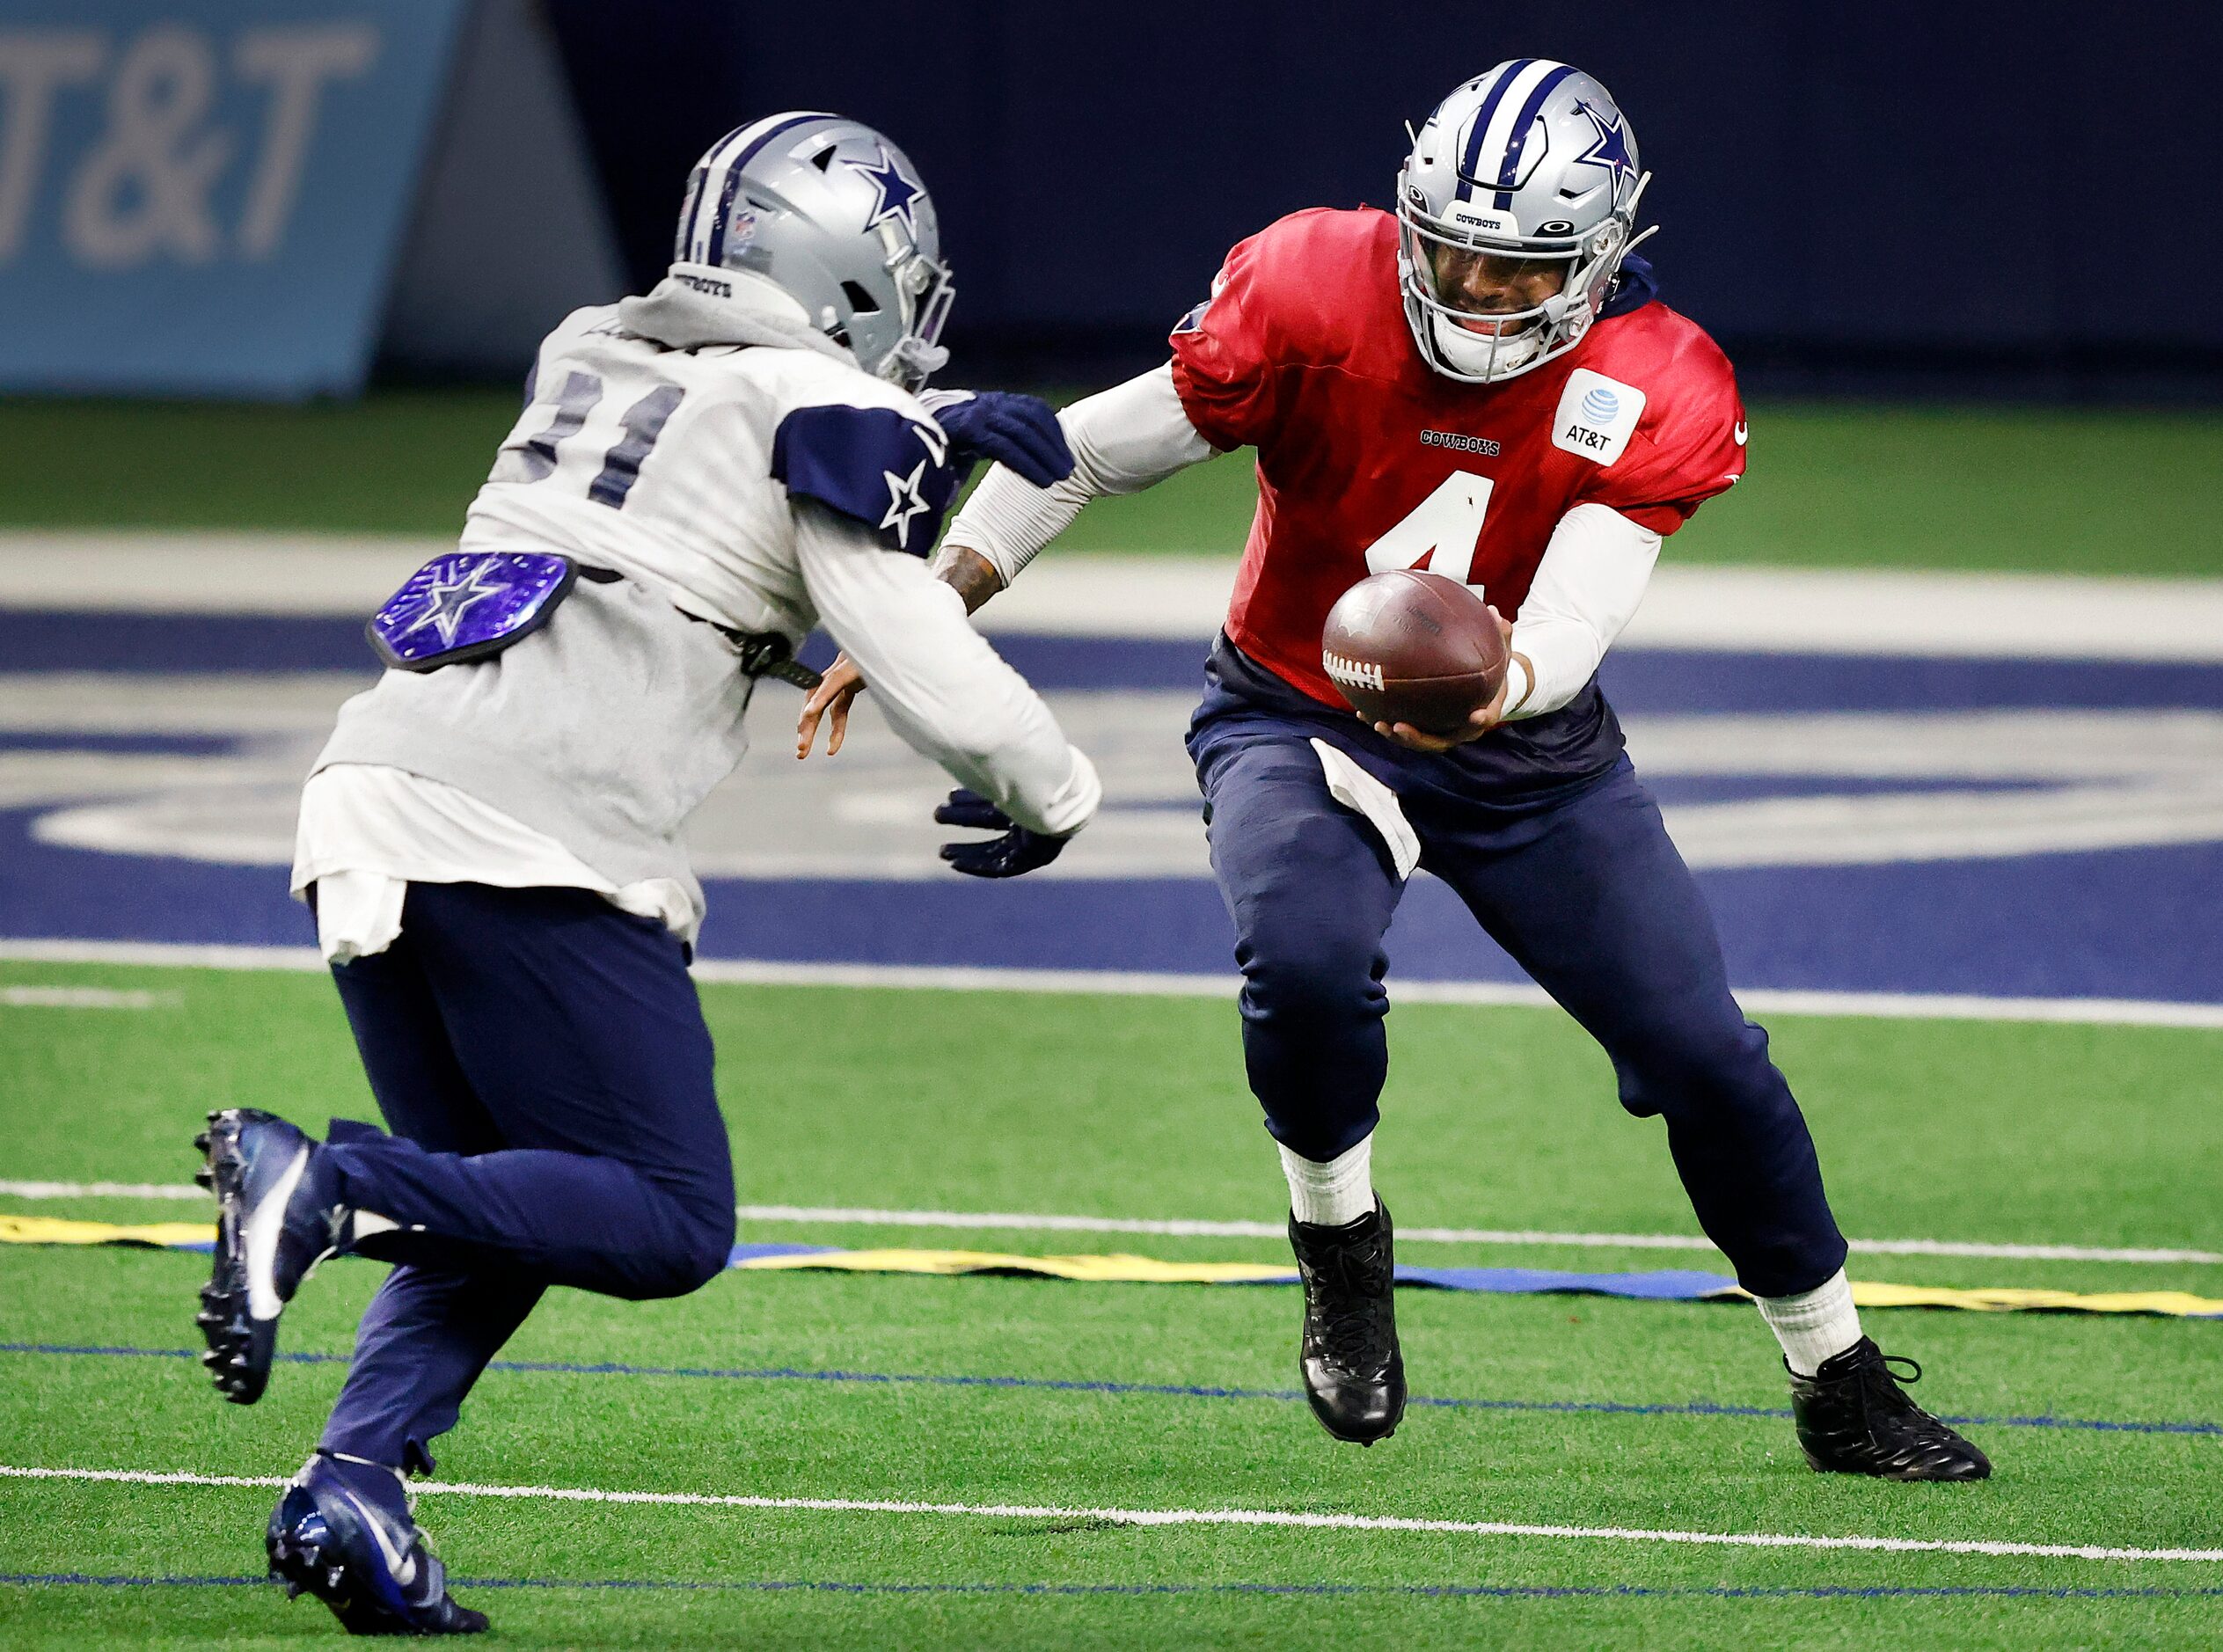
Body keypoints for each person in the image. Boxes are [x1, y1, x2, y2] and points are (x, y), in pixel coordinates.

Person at [797, 62, 1991, 1482]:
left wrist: (1493, 688)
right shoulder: (1311, 288)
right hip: (1297, 708)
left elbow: (1569, 623)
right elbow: (1083, 456)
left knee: (1707, 1057)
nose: (1477, 290)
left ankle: (1835, 1372)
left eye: (1518, 266)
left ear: (1600, 253)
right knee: (1303, 958)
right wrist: (939, 593)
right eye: (1453, 251)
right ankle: (1339, 1245)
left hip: (1528, 752)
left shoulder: (1655, 374)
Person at [192, 112, 1101, 1636]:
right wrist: (1055, 790)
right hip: (532, 827)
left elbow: (692, 510)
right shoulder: (811, 394)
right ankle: (326, 1183)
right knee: (669, 1214)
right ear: (851, 278)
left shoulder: (587, 346)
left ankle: (357, 1476)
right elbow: (918, 651)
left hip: (370, 799)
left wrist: (922, 447)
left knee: (507, 1199)